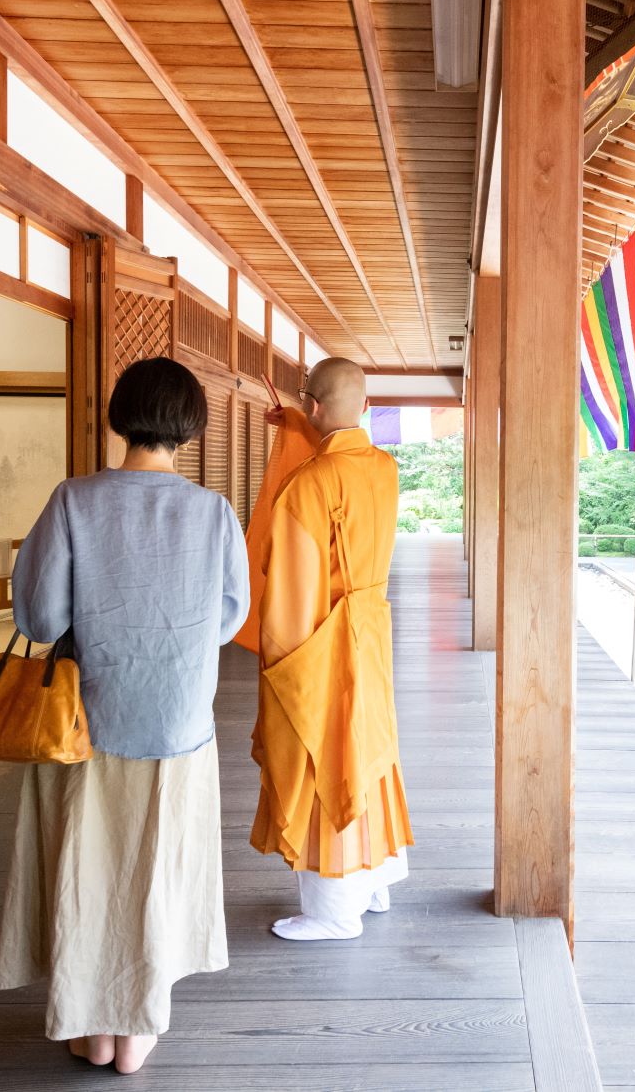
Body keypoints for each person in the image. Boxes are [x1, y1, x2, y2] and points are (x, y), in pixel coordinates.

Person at [0, 357, 250, 1074]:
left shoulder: (73, 501)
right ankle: (138, 1029)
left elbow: (40, 617)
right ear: (190, 429)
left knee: (89, 871)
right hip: (176, 725)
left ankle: (90, 1024)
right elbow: (229, 619)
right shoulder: (214, 512)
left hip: (86, 724)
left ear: (118, 415)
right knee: (156, 871)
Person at [242, 357, 413, 941]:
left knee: (323, 758)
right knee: (369, 747)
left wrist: (279, 662)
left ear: (315, 405)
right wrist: (296, 423)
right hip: (370, 631)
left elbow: (290, 591)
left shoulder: (308, 485)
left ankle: (334, 910)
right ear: (364, 406)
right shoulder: (385, 468)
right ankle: (375, 877)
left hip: (323, 643)